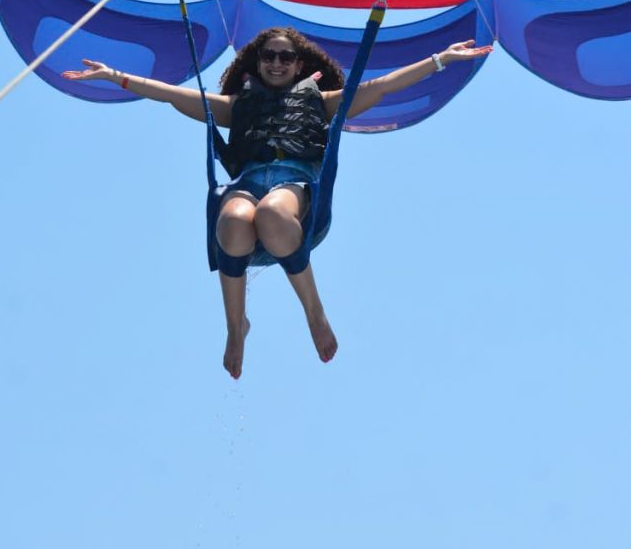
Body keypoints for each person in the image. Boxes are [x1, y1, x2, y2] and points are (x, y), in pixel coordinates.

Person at [63, 28, 491, 379]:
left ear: (300, 65)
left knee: (270, 212)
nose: (277, 63)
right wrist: (114, 74)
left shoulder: (322, 103)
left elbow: (380, 87)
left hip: (297, 188)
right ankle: (236, 327)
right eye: (269, 56)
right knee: (232, 220)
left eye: (286, 58)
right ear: (258, 61)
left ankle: (314, 312)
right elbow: (172, 95)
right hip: (248, 183)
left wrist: (441, 59)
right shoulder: (235, 107)